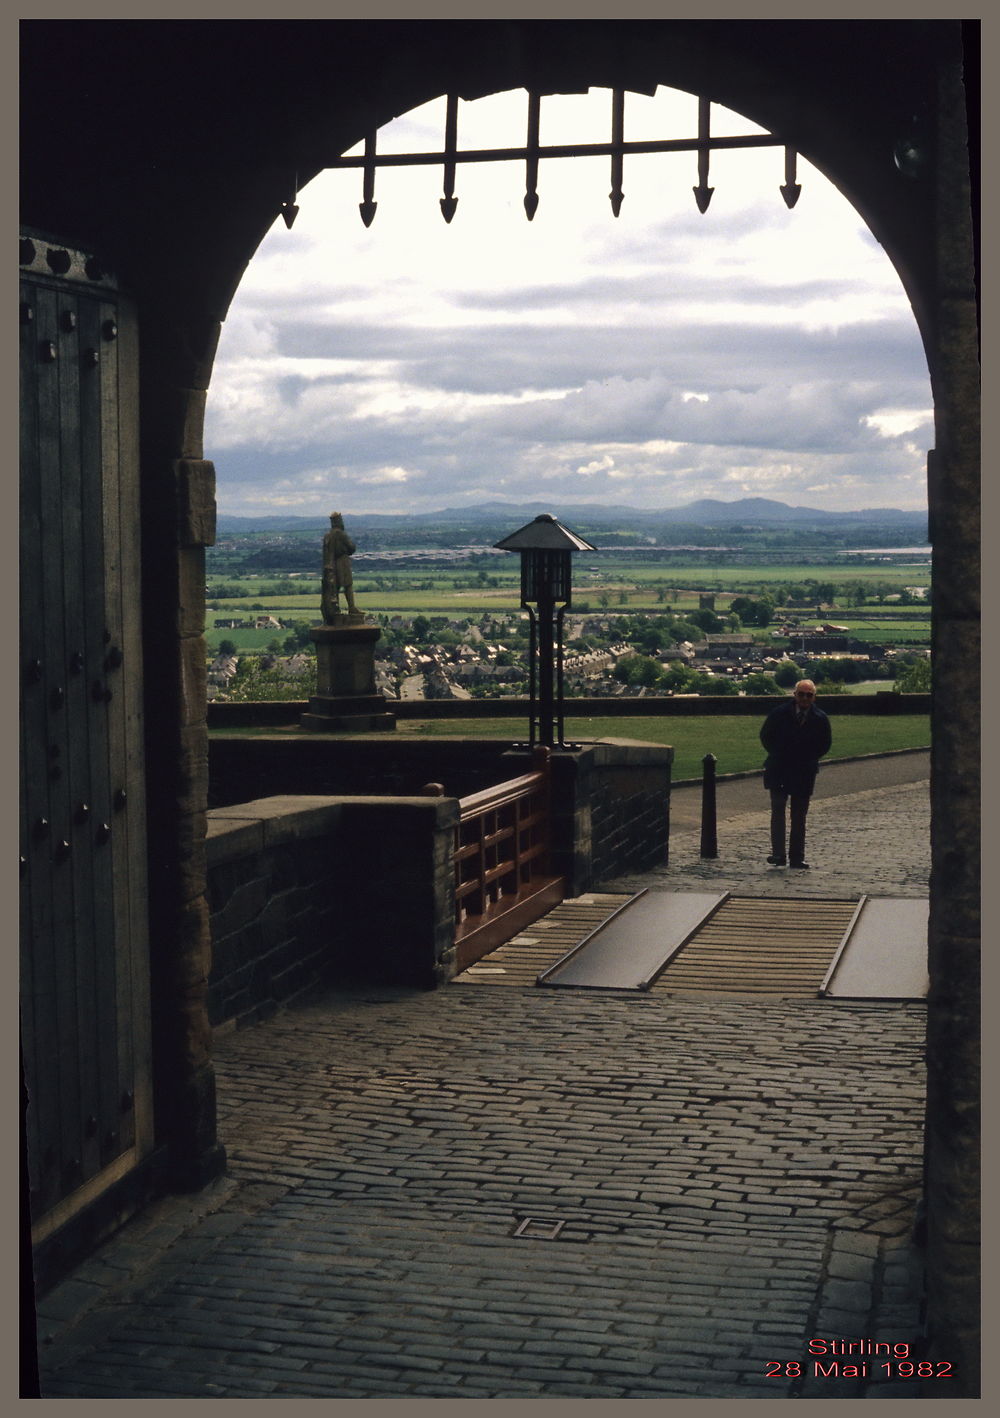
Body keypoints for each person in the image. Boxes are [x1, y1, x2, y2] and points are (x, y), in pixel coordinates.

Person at [759, 679, 831, 869]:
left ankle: (797, 857)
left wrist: (808, 756)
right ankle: (778, 855)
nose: (805, 698)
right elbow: (766, 736)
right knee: (778, 810)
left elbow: (825, 744)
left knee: (799, 815)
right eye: (801, 694)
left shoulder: (820, 718)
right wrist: (779, 752)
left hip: (804, 771)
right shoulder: (779, 714)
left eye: (809, 695)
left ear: (814, 697)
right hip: (779, 768)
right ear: (795, 695)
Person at [321, 511, 358, 620]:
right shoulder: (341, 534)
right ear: (339, 521)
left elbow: (325, 552)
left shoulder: (327, 536)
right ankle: (351, 607)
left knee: (334, 588)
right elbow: (351, 547)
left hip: (330, 564)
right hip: (342, 562)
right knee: (348, 585)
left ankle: (334, 609)